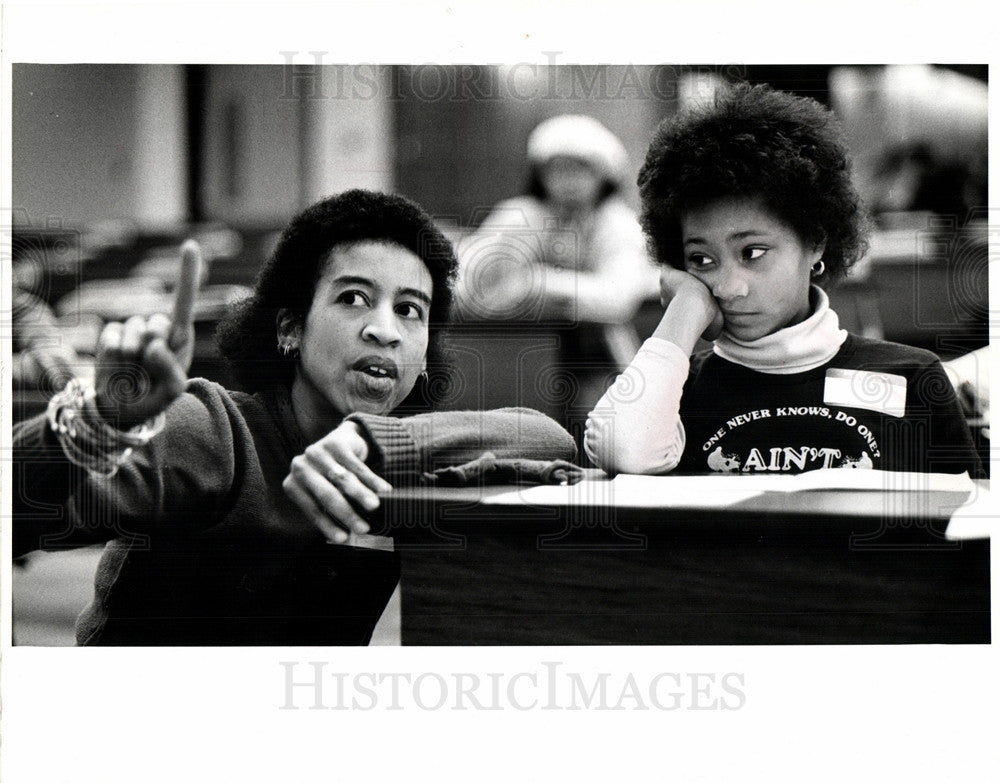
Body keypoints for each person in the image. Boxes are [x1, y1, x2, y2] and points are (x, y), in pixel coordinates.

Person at [12, 189, 581, 646]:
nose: (384, 329)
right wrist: (99, 421)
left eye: (410, 311)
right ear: (289, 330)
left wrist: (372, 444)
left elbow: (549, 438)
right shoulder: (213, 431)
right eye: (354, 298)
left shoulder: (400, 458)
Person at [584, 84, 983, 478]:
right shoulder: (675, 390)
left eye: (752, 253)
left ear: (814, 243)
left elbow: (965, 529)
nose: (727, 286)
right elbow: (621, 451)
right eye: (702, 259)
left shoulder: (909, 375)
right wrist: (685, 308)